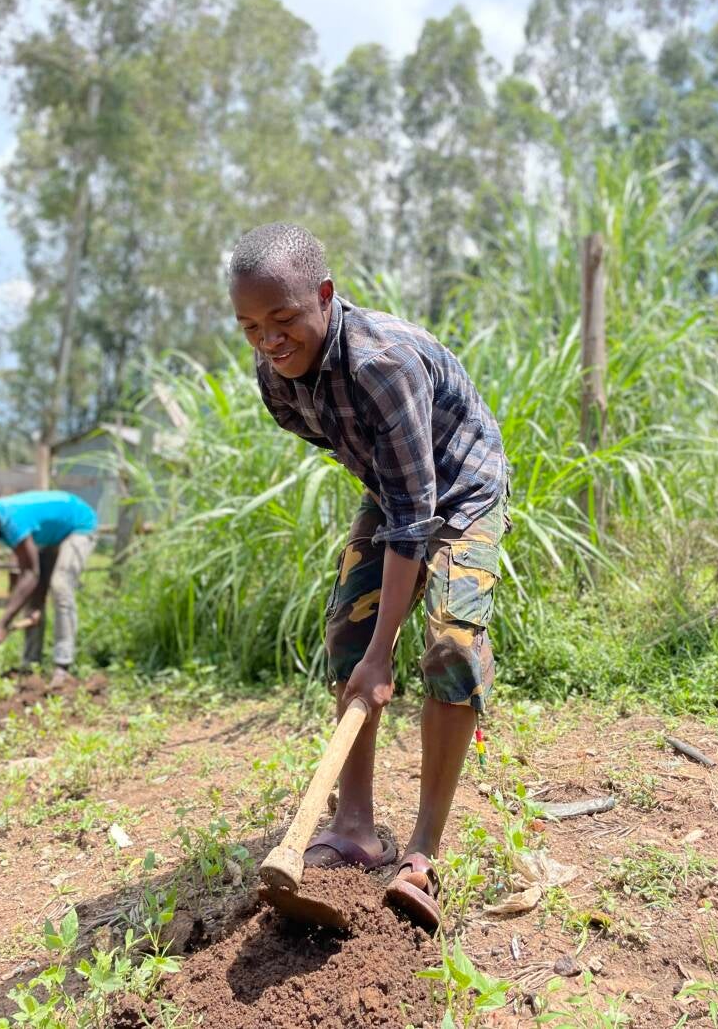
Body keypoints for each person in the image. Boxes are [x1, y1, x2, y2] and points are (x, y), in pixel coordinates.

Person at [229, 222, 510, 930]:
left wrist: (388, 652)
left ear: (325, 295)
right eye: (251, 327)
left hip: (463, 490)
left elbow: (419, 516)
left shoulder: (382, 365)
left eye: (283, 319)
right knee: (348, 635)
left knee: (450, 646)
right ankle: (354, 827)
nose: (269, 340)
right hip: (396, 490)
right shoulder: (275, 378)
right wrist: (370, 644)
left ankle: (421, 853)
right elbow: (391, 489)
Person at [0, 490, 98, 689]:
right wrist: (34, 602)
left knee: (60, 585)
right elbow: (29, 573)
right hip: (49, 537)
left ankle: (63, 665)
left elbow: (30, 573)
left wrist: (2, 624)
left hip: (79, 526)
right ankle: (30, 665)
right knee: (32, 598)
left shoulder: (11, 520)